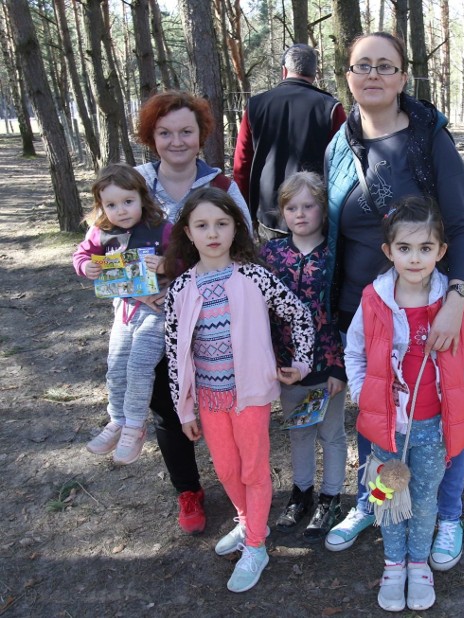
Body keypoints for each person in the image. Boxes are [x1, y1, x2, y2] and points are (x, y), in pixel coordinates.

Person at [324, 32, 464, 573]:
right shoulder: (339, 144)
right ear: (347, 74)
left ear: (402, 78)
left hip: (431, 303)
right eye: (361, 65)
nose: (372, 75)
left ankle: (448, 517)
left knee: (442, 413)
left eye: (384, 66)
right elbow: (333, 232)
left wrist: (456, 299)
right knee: (376, 412)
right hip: (365, 305)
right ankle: (375, 503)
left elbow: (459, 226)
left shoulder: (429, 137)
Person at [162, 187, 314, 593]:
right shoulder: (180, 290)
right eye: (202, 225)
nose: (212, 233)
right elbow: (175, 352)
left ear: (236, 229)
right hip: (210, 400)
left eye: (222, 224)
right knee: (227, 470)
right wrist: (184, 409)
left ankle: (256, 545)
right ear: (189, 234)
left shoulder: (253, 276)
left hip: (250, 396)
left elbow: (298, 313)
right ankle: (248, 521)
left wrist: (301, 363)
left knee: (253, 469)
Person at [344, 198, 464, 611]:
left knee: (424, 499)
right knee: (386, 495)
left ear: (442, 252)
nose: (415, 258)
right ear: (388, 252)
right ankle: (393, 564)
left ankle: (418, 564)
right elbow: (354, 351)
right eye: (404, 248)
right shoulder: (374, 299)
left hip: (435, 426)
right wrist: (360, 393)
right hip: (386, 425)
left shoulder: (452, 304)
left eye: (426, 248)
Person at [134, 90, 253, 535]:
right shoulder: (134, 183)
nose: (176, 141)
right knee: (166, 403)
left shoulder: (221, 187)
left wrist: (176, 266)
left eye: (186, 131)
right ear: (152, 136)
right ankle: (188, 490)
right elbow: (106, 245)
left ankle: (243, 483)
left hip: (215, 315)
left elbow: (245, 248)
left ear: (201, 135)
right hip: (151, 317)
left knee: (227, 402)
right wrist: (129, 287)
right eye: (165, 132)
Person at [259, 172, 347, 540]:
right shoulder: (271, 254)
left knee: (331, 433)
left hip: (327, 364)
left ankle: (331, 498)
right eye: (291, 207)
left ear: (322, 209)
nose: (300, 214)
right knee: (299, 433)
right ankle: (302, 493)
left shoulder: (336, 254)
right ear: (281, 212)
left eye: (308, 205)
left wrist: (340, 367)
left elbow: (346, 312)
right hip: (287, 365)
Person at [73, 164, 172, 465]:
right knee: (115, 366)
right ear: (101, 206)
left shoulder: (160, 227)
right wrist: (85, 266)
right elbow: (82, 254)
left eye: (128, 201)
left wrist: (167, 263)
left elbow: (186, 258)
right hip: (125, 310)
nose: (121, 210)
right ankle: (117, 420)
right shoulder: (101, 231)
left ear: (142, 197)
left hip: (157, 310)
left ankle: (134, 425)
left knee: (140, 365)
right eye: (111, 204)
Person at [233, 43, 346, 241]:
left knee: (271, 269)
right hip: (315, 216)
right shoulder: (330, 108)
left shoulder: (255, 106)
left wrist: (246, 211)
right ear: (315, 73)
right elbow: (342, 167)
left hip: (269, 214)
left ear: (284, 70)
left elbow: (242, 164)